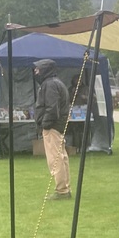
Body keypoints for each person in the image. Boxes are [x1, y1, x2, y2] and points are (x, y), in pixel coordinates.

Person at [33, 59, 71, 200]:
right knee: (62, 157)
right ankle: (65, 188)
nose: (35, 72)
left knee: (55, 159)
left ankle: (61, 190)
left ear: (45, 70)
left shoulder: (49, 85)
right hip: (59, 125)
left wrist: (45, 124)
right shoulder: (57, 83)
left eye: (37, 69)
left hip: (53, 126)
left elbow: (51, 107)